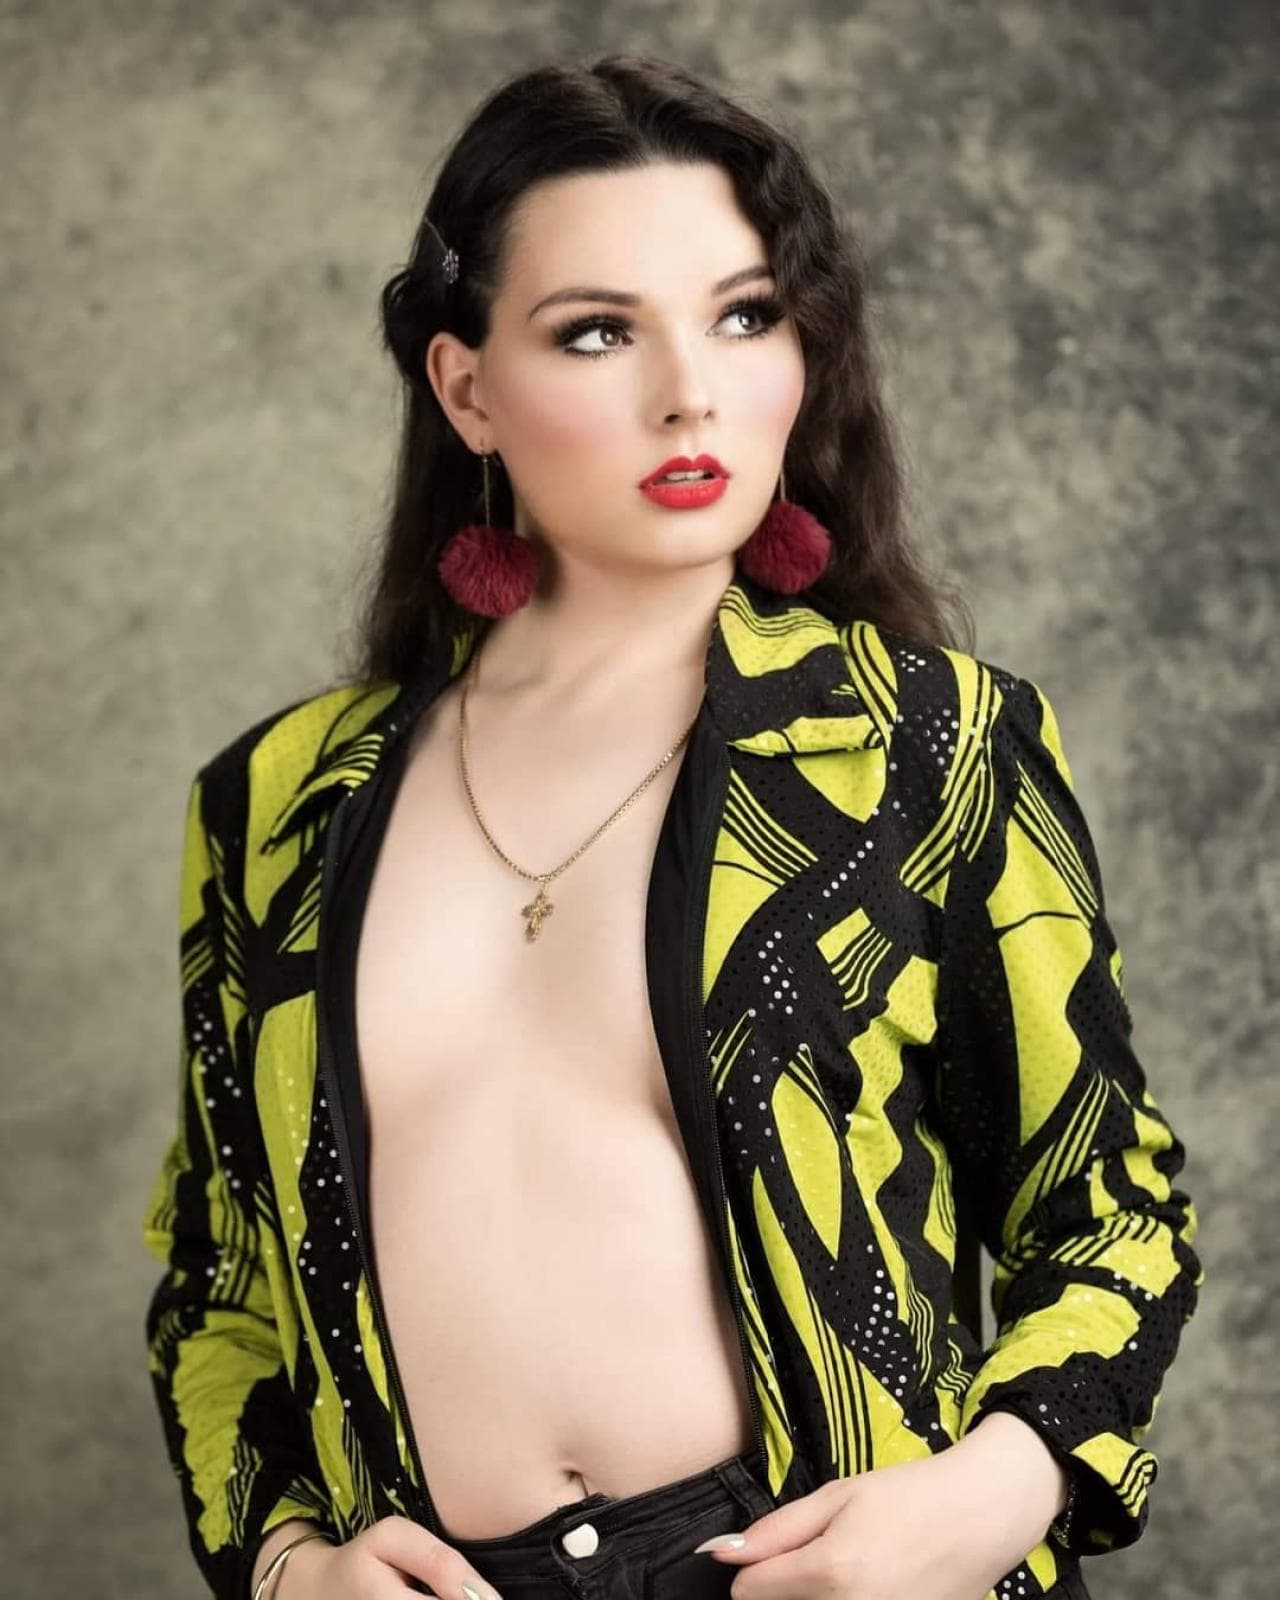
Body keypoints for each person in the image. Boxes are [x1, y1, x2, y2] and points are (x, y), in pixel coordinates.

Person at [140, 52, 1203, 1600]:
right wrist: (290, 1565)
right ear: (467, 389)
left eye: (744, 315)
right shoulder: (274, 808)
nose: (689, 391)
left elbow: (1111, 1213)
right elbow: (222, 1283)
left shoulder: (925, 746)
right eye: (597, 332)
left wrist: (990, 1494)